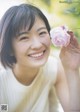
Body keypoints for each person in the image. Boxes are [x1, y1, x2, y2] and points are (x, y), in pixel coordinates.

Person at [0, 3, 80, 112]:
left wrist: (72, 69)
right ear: (9, 48)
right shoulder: (2, 82)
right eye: (24, 38)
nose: (37, 45)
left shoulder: (54, 68)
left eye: (42, 33)